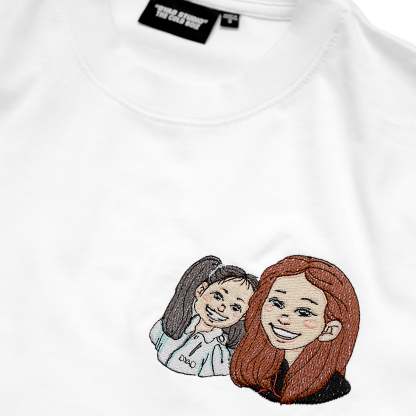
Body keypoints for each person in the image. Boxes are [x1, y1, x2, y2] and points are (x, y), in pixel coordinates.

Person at [230, 255, 360, 404]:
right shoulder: (257, 371)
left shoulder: (332, 388)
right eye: (277, 303)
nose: (283, 318)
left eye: (303, 312)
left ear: (329, 330)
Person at [150, 255, 258, 377]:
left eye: (235, 307)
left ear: (244, 315)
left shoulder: (220, 356)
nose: (221, 308)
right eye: (217, 296)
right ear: (201, 290)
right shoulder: (167, 326)